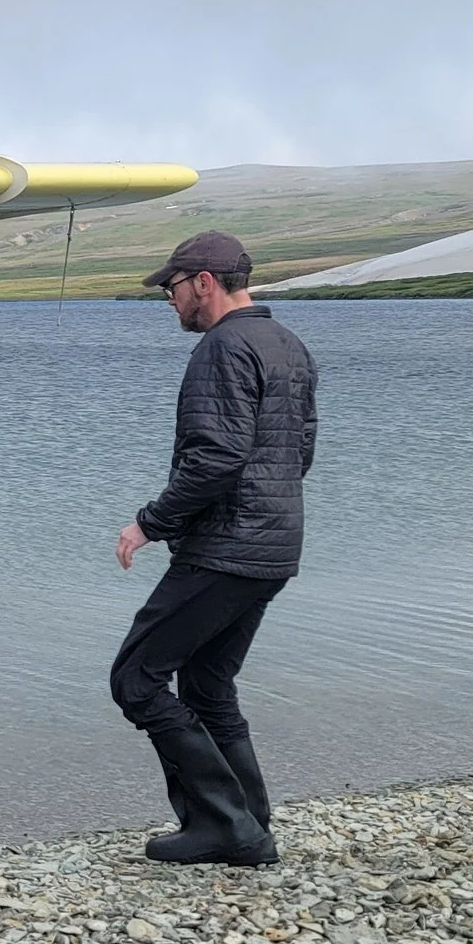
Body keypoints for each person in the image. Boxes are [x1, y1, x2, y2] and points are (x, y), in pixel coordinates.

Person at [111, 231, 317, 867]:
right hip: (277, 545)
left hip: (226, 548)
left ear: (204, 281)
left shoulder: (222, 347)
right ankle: (249, 825)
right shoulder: (289, 344)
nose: (170, 302)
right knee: (206, 681)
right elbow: (300, 453)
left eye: (171, 289)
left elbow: (216, 458)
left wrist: (150, 523)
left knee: (137, 679)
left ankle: (224, 824)